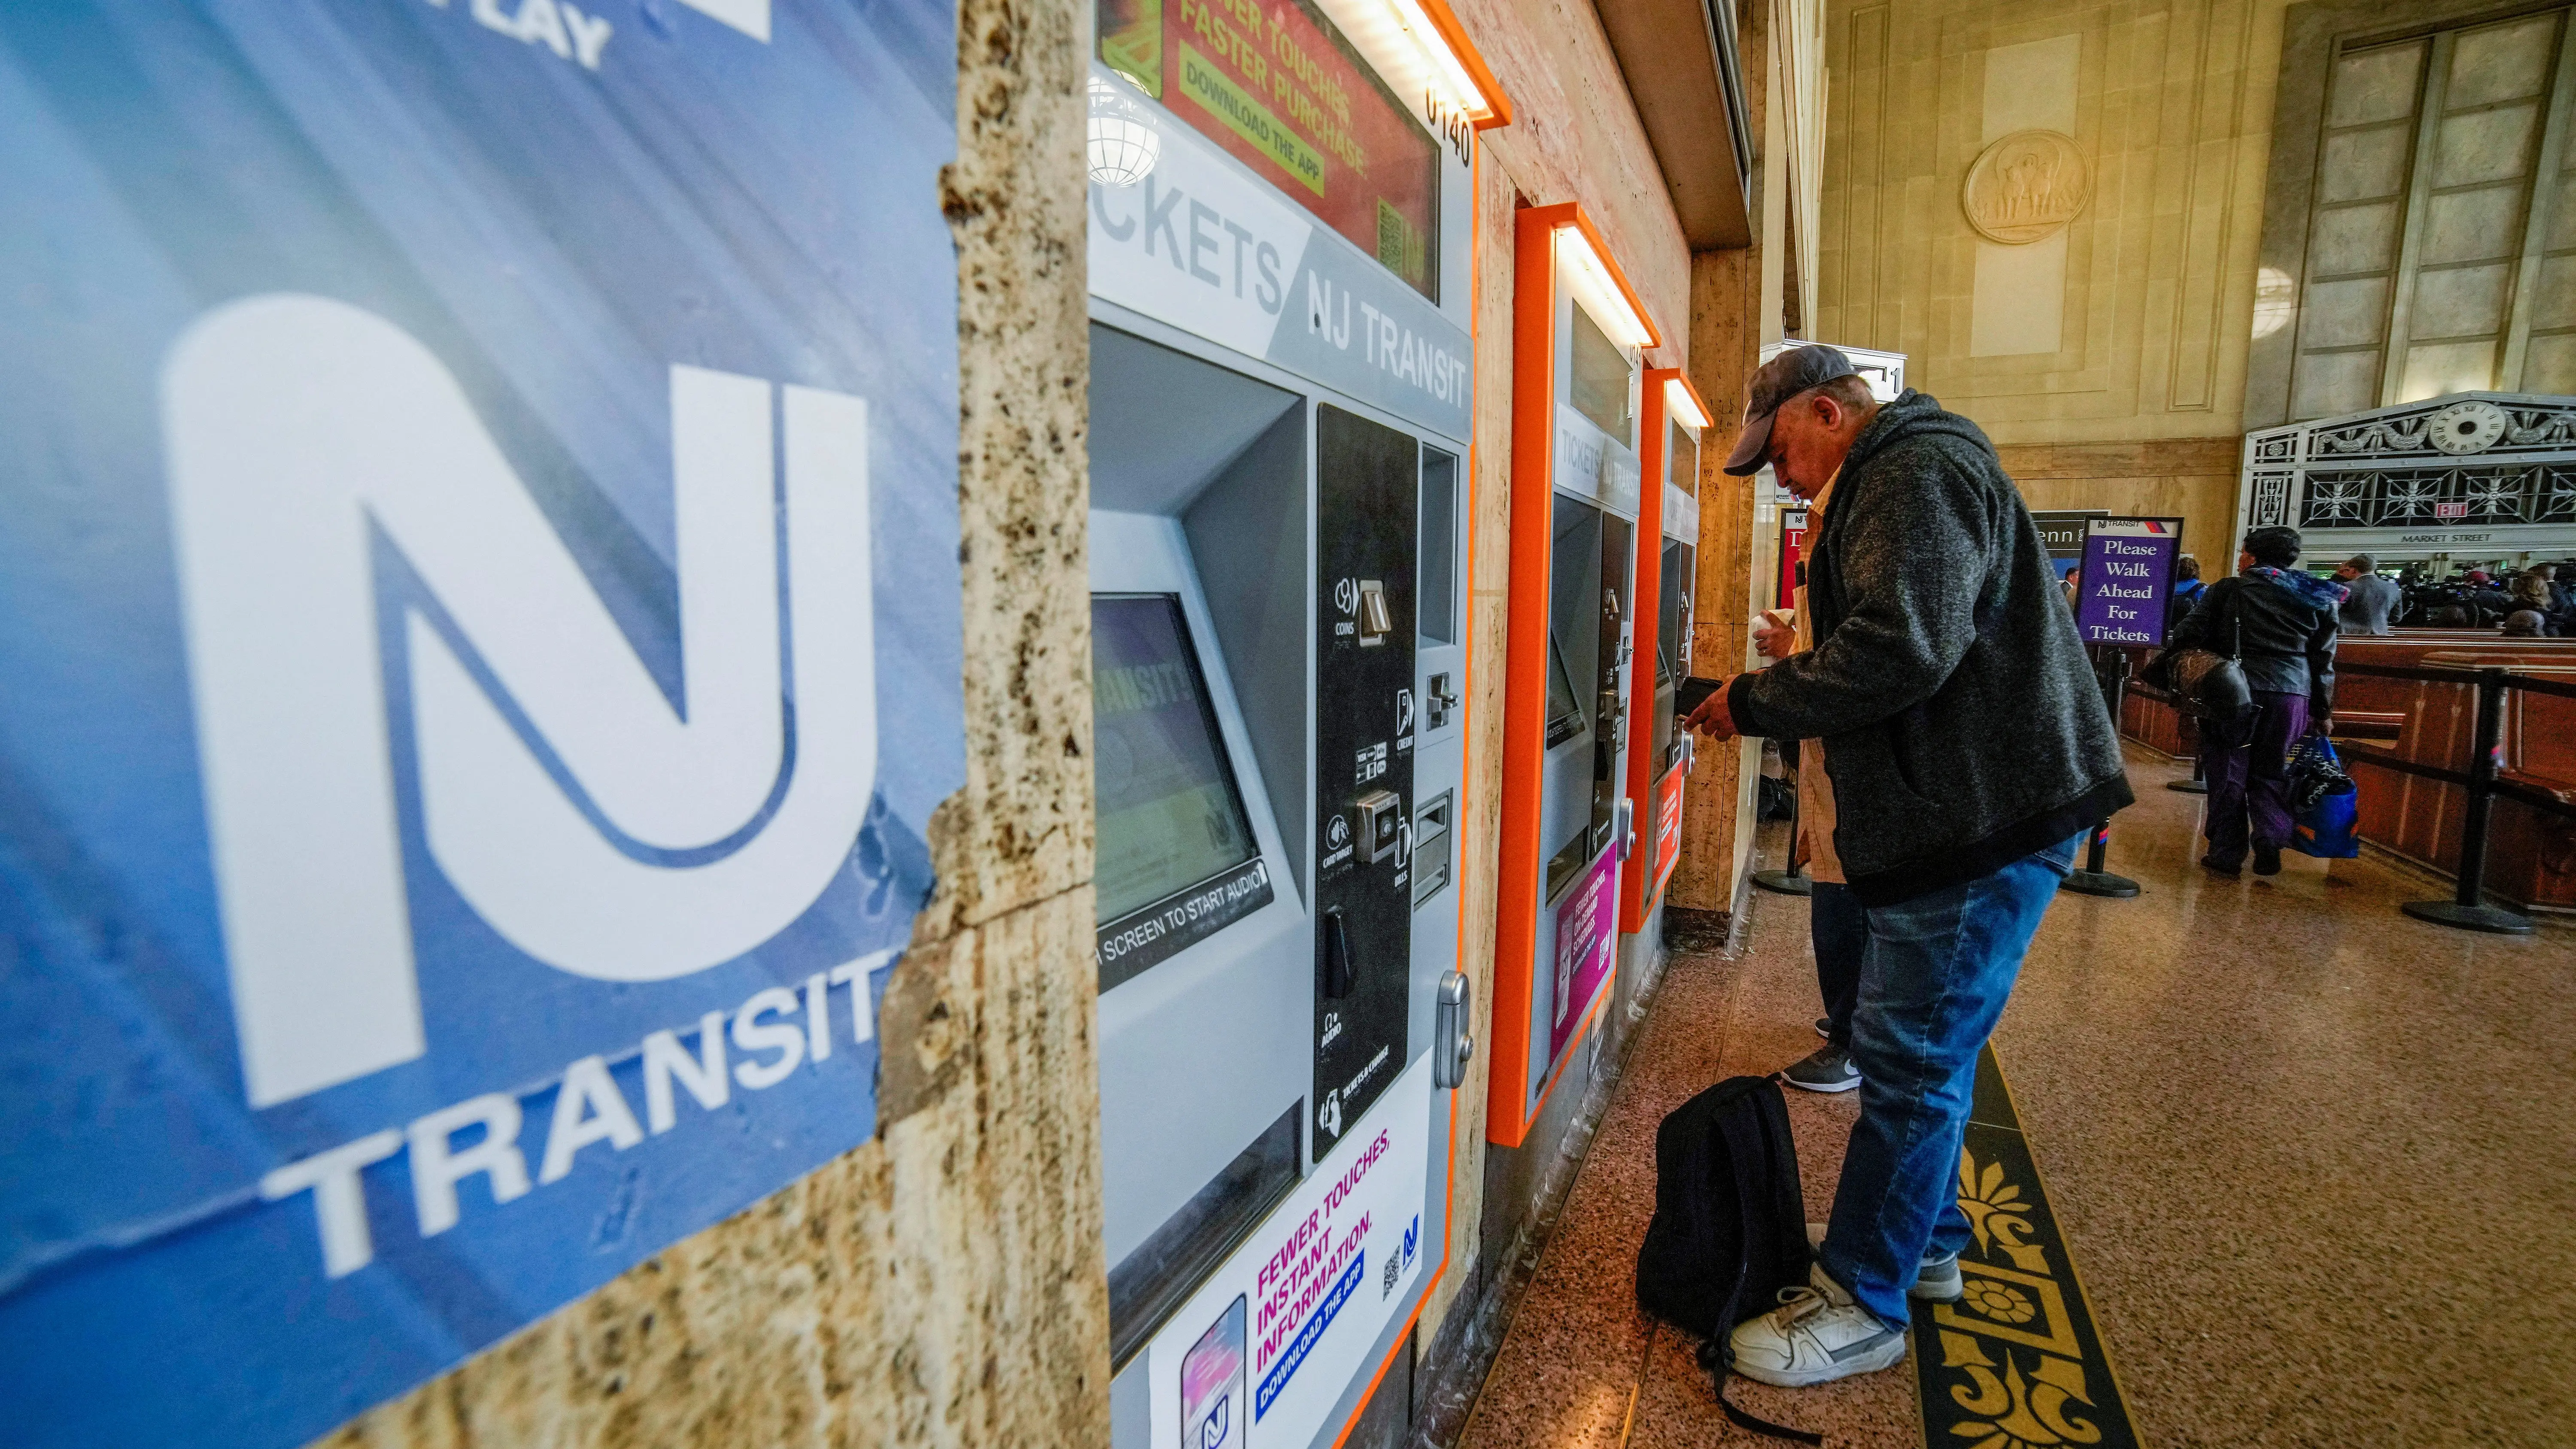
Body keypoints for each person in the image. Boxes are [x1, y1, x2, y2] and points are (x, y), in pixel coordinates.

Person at [1682, 345, 2132, 1389]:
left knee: (1913, 1057)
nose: (1780, 475)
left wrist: (1753, 700)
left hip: (1979, 817)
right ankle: (1921, 1242)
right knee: (1928, 1047)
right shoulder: (1908, 466)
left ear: (1830, 412)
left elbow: (1902, 647)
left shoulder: (1911, 471)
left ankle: (1862, 1302)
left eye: (1781, 449)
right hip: (1974, 806)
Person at [2166, 526, 2340, 877]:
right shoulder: (2319, 594)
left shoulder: (2229, 589)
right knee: (2274, 768)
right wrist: (2322, 710)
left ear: (2252, 555)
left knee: (2228, 766)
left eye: (2243, 552)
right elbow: (2324, 658)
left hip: (2233, 689)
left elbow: (2188, 632)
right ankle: (2271, 837)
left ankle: (2227, 852)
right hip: (2293, 692)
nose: (2241, 558)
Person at [1749, 601, 1863, 1097]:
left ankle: (1856, 1044)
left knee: (1846, 916)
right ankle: (1851, 1021)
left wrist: (1794, 653)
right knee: (1836, 908)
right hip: (1836, 776)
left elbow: (1877, 659)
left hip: (1861, 785)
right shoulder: (1836, 528)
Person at [2332, 554, 2400, 635]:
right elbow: (2397, 618)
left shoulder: (2345, 587)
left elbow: (2333, 612)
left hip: (2347, 637)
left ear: (2354, 570)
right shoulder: (2393, 588)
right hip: (2380, 637)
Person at [2167, 554, 2207, 634]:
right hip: (2189, 635)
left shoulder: (2168, 589)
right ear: (2196, 572)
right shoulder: (2202, 589)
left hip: (2166, 635)